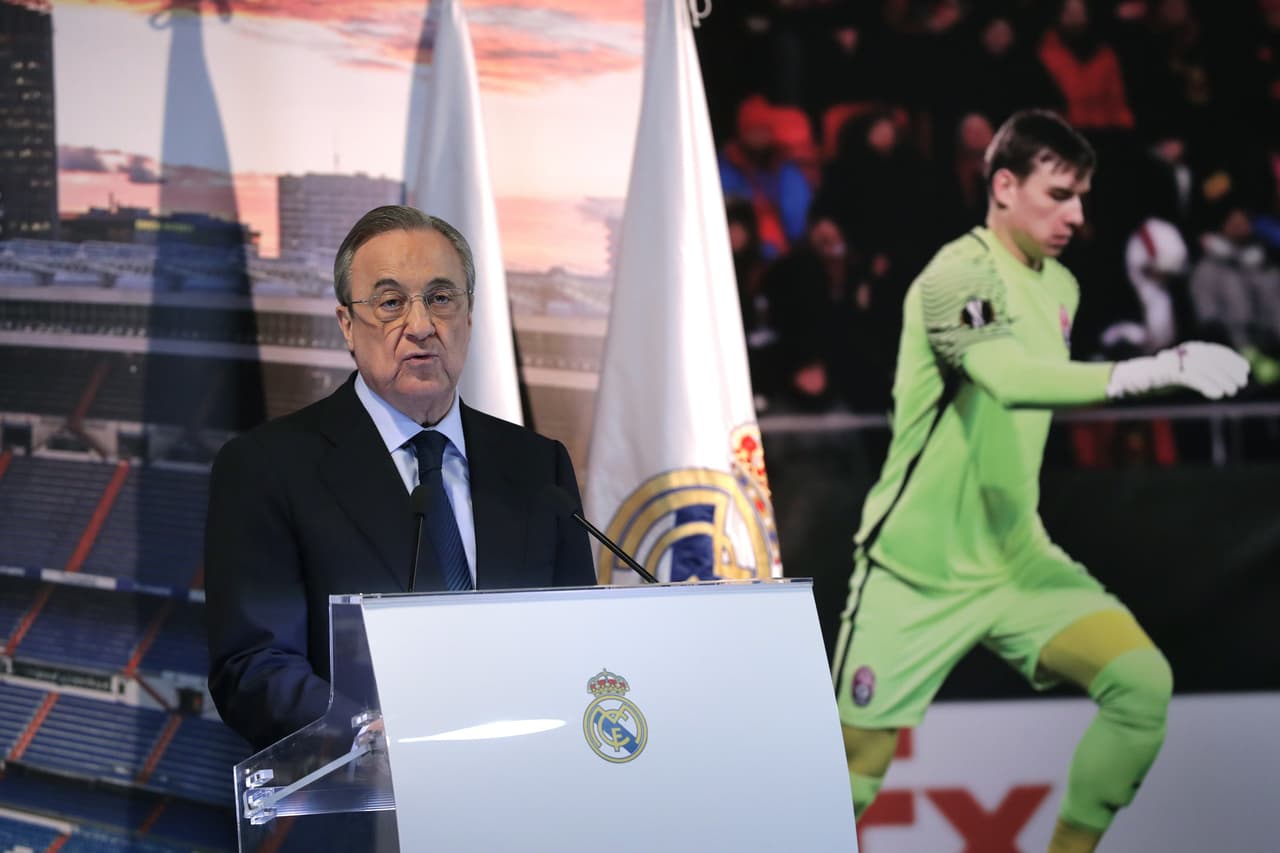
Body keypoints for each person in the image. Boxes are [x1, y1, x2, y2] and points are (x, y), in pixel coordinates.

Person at [831, 111, 1249, 853]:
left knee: (1141, 687)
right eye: (1059, 195)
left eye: (1083, 198)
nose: (1077, 216)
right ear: (1003, 184)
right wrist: (1154, 369)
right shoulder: (957, 273)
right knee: (850, 776)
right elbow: (1010, 379)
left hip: (1019, 557)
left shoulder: (1061, 284)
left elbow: (1048, 385)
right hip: (914, 568)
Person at [205, 205, 595, 751]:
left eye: (440, 298)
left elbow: (578, 642)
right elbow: (253, 666)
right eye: (390, 304)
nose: (420, 326)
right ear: (347, 324)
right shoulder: (268, 467)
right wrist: (363, 731)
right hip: (369, 813)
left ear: (469, 314)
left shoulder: (537, 466)